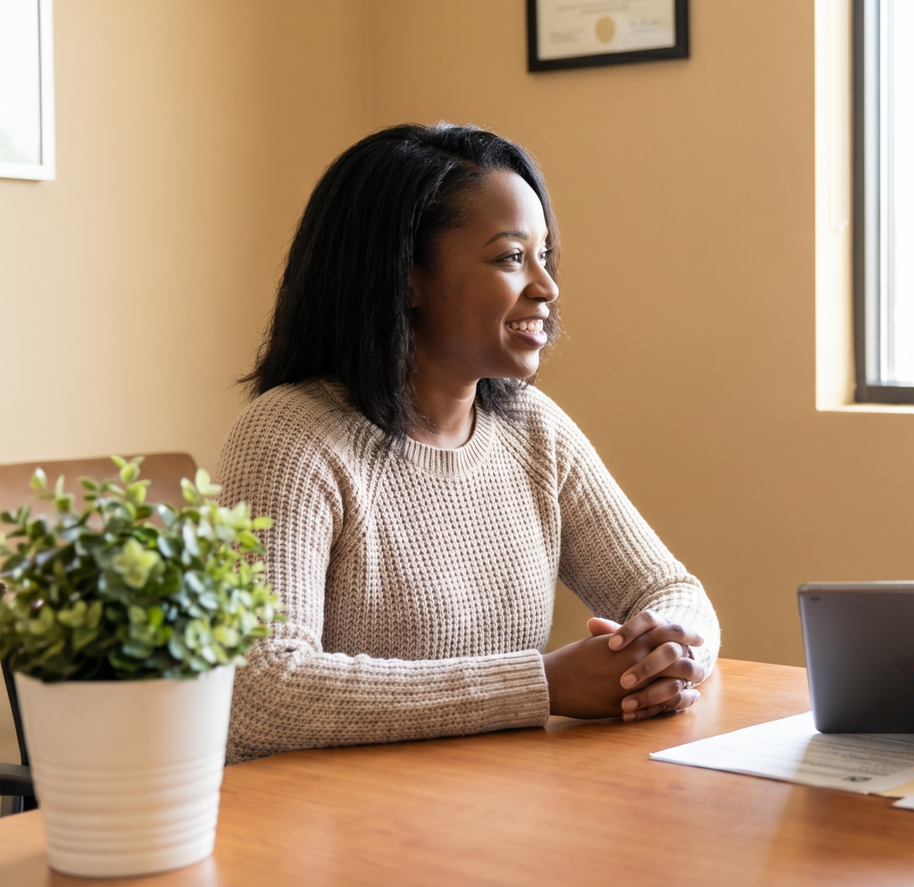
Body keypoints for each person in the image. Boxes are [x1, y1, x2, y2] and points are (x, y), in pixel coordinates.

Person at [219, 124, 718, 763]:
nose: (547, 286)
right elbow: (259, 692)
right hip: (331, 829)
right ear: (406, 278)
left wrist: (671, 656)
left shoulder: (533, 428)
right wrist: (543, 685)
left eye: (544, 255)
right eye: (511, 258)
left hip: (493, 807)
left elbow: (671, 590)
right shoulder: (288, 438)